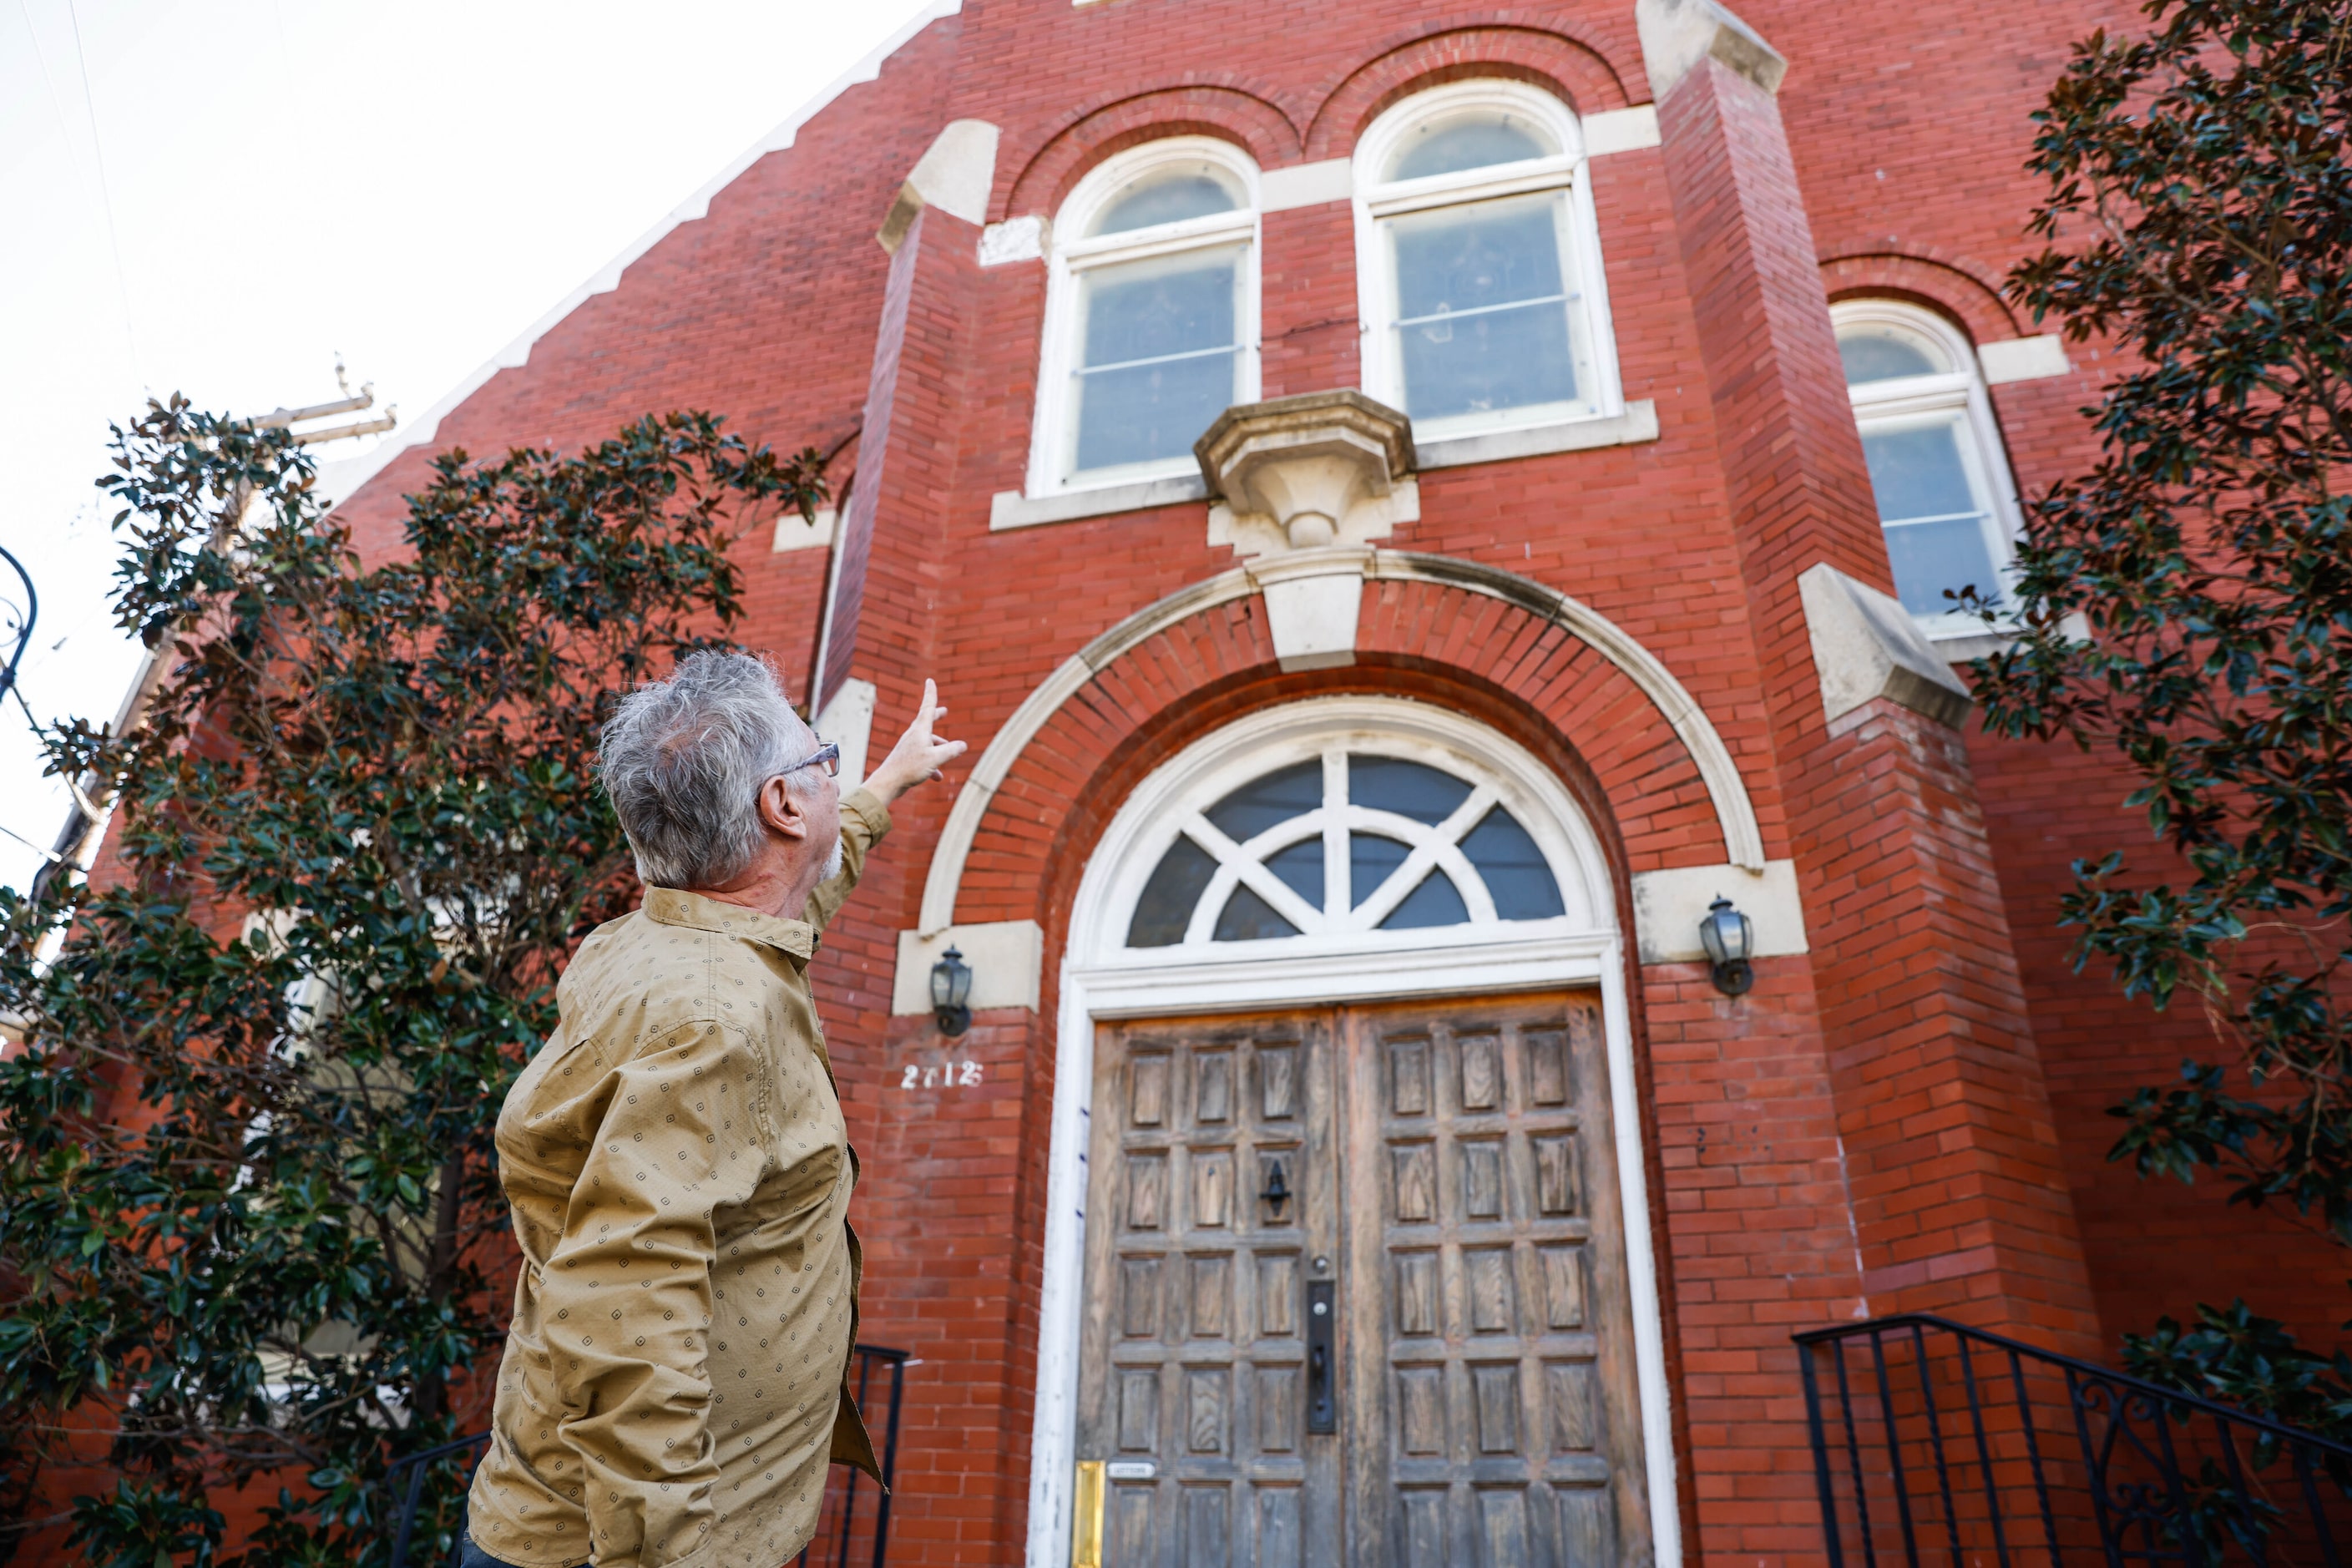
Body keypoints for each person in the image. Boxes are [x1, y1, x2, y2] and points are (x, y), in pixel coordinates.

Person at [458, 651, 964, 1568]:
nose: (833, 774)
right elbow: (624, 1308)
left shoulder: (666, 934)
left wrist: (887, 779)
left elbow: (803, 883)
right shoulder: (716, 1017)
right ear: (782, 807)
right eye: (825, 760)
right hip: (628, 1548)